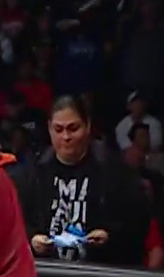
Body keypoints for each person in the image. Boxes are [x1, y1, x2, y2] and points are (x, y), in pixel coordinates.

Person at [16, 96, 149, 266]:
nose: (66, 136)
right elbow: (16, 220)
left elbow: (137, 221)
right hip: (47, 270)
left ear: (87, 126)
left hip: (99, 270)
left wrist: (110, 235)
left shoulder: (112, 167)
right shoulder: (34, 170)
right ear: (49, 129)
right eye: (58, 129)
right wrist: (32, 238)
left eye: (73, 128)